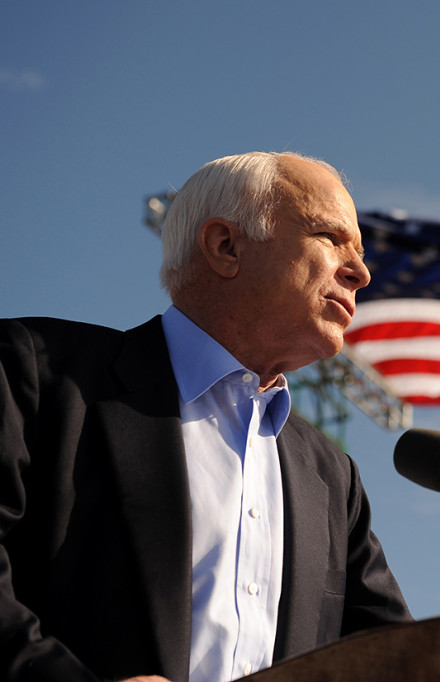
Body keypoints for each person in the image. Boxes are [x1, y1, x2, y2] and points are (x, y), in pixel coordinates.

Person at [0, 152, 413, 682]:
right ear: (225, 246)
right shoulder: (36, 374)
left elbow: (398, 660)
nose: (361, 272)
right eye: (331, 238)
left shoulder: (334, 479)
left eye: (358, 251)